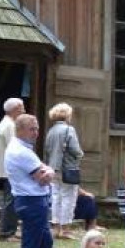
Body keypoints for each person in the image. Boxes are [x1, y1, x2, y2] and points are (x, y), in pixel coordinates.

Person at [4, 114, 59, 248]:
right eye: (31, 129)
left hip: (34, 201)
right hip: (32, 203)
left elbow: (43, 170)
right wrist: (50, 171)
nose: (36, 133)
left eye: (36, 128)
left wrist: (47, 170)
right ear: (19, 130)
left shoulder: (24, 149)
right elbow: (42, 177)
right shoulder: (21, 152)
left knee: (45, 243)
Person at [43, 103, 84, 240]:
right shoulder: (68, 129)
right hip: (68, 168)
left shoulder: (51, 131)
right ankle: (65, 230)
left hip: (53, 168)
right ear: (67, 115)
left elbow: (47, 149)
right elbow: (75, 150)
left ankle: (55, 228)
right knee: (68, 198)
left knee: (55, 197)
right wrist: (80, 155)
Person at [0, 97, 24, 241]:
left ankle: (10, 230)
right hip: (11, 169)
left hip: (8, 168)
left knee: (11, 200)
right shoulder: (10, 125)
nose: (23, 111)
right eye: (21, 108)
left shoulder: (7, 123)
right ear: (14, 109)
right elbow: (16, 148)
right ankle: (7, 232)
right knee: (11, 201)